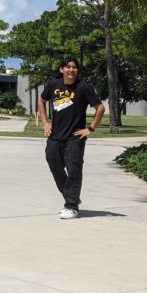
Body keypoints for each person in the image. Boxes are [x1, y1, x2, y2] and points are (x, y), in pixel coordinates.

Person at [38, 57, 104, 219]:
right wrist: (45, 122)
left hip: (74, 138)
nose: (71, 70)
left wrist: (90, 129)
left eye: (74, 67)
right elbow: (41, 100)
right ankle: (71, 196)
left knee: (74, 170)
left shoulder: (83, 87)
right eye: (68, 67)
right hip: (55, 136)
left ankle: (72, 206)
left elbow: (100, 107)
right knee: (53, 163)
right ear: (62, 69)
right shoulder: (53, 85)